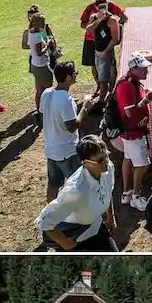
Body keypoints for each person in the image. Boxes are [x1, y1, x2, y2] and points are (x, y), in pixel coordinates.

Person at [37, 136, 118, 251]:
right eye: (100, 160)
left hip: (96, 228)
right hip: (77, 239)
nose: (106, 161)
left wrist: (111, 218)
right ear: (85, 163)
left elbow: (108, 192)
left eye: (106, 155)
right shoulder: (76, 191)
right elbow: (44, 221)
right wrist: (65, 243)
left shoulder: (108, 168)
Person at [106, 53, 152, 210]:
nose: (146, 72)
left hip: (131, 131)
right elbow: (130, 112)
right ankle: (136, 196)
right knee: (142, 165)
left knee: (128, 159)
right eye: (143, 69)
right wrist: (147, 100)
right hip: (133, 133)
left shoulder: (131, 81)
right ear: (133, 69)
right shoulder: (127, 85)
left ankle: (126, 193)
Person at [40, 61, 91, 201]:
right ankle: (80, 214)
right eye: (74, 73)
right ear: (68, 78)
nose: (76, 75)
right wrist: (85, 107)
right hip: (67, 152)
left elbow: (46, 112)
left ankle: (50, 214)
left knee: (53, 184)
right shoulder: (65, 99)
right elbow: (72, 126)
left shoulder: (47, 93)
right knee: (79, 185)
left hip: (51, 150)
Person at [79, 0, 125, 83]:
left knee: (111, 64)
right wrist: (95, 22)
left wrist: (117, 27)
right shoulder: (90, 8)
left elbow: (123, 17)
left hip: (106, 41)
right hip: (91, 40)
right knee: (94, 65)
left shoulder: (111, 5)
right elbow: (82, 24)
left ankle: (112, 87)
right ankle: (99, 86)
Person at [88, 0, 122, 103]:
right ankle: (109, 97)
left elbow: (115, 40)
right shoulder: (94, 17)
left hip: (106, 53)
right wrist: (98, 20)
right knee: (102, 77)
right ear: (96, 7)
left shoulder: (112, 20)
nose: (103, 9)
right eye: (100, 7)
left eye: (105, 6)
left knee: (105, 81)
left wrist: (105, 52)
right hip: (97, 52)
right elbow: (88, 30)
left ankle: (103, 101)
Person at [27, 13, 56, 121]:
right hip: (43, 66)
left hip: (35, 65)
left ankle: (40, 112)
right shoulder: (38, 36)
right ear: (36, 23)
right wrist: (48, 43)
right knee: (48, 91)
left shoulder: (31, 32)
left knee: (39, 91)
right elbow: (40, 53)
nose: (44, 24)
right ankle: (48, 113)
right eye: (42, 22)